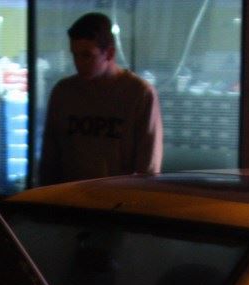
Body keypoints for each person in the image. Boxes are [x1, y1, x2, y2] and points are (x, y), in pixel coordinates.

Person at [38, 11, 161, 186]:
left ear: (109, 54)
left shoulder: (139, 94)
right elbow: (50, 157)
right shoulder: (64, 92)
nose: (79, 63)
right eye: (75, 55)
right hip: (71, 197)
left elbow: (148, 166)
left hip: (117, 197)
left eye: (87, 55)